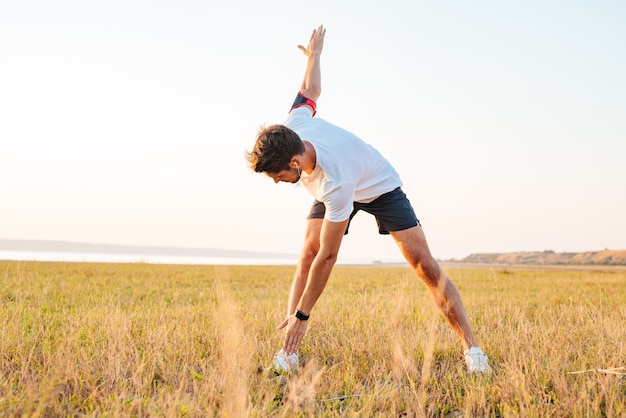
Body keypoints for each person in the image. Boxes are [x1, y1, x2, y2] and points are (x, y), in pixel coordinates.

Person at [245, 25, 491, 373]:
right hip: (334, 182)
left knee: (424, 264)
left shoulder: (335, 182)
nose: (276, 181)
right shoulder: (293, 125)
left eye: (277, 175)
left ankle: (473, 350)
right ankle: (289, 350)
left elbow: (330, 257)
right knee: (306, 254)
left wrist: (304, 313)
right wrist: (315, 56)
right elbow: (309, 91)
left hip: (378, 185)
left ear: (295, 162)